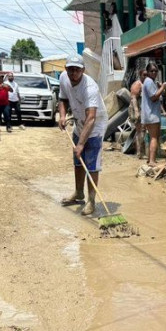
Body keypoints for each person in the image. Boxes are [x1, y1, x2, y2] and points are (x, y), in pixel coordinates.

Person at [58, 54, 109, 216]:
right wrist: (62, 115)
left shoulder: (90, 88)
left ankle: (91, 201)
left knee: (91, 164)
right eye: (70, 69)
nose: (73, 73)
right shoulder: (63, 78)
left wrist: (81, 144)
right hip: (80, 122)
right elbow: (62, 99)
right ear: (66, 69)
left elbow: (91, 117)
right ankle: (79, 193)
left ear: (83, 70)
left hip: (94, 125)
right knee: (78, 161)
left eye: (77, 70)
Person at [141, 63, 166, 167]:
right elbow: (154, 97)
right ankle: (152, 161)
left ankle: (150, 159)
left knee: (152, 137)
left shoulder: (149, 82)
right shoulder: (149, 82)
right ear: (147, 72)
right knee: (154, 137)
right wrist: (163, 87)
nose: (154, 73)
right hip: (151, 115)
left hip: (149, 114)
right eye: (152, 71)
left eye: (156, 71)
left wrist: (159, 88)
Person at [129, 70, 147, 158]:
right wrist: (136, 112)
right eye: (144, 75)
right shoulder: (137, 84)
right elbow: (133, 98)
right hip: (137, 109)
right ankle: (140, 152)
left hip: (142, 109)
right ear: (140, 75)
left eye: (147, 75)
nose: (146, 76)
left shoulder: (146, 83)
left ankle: (141, 152)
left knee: (142, 130)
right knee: (140, 130)